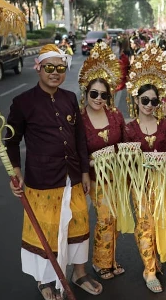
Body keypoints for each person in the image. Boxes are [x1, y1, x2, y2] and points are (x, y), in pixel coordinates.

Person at [6, 44, 102, 300]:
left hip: (72, 176)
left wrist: (84, 172)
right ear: (39, 68)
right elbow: (11, 141)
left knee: (79, 225)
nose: (55, 73)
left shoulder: (69, 98)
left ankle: (78, 273)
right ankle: (45, 279)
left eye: (60, 68)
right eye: (50, 68)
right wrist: (15, 173)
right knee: (45, 231)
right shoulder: (23, 102)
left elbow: (80, 137)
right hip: (42, 180)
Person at [124, 46, 166, 292]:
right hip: (141, 185)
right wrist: (143, 162)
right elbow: (125, 160)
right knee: (145, 225)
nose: (149, 105)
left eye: (154, 101)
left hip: (162, 183)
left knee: (162, 223)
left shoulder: (165, 125)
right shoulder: (129, 129)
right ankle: (149, 270)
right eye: (145, 100)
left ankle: (156, 259)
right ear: (136, 100)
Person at [77, 43, 126, 281]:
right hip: (96, 180)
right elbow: (76, 154)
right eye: (93, 94)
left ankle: (111, 259)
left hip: (118, 177)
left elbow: (125, 144)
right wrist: (93, 162)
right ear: (85, 94)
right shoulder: (78, 120)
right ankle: (99, 263)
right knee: (105, 218)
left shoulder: (116, 115)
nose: (98, 98)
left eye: (103, 94)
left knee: (115, 220)